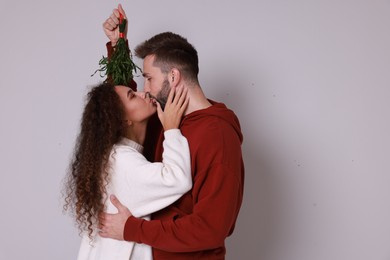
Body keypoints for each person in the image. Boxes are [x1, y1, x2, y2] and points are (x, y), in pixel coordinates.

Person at [99, 5, 245, 259]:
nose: (145, 89)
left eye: (149, 78)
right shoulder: (166, 118)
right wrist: (117, 45)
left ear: (174, 77)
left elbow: (210, 229)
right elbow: (124, 109)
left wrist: (132, 229)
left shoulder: (218, 138)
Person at [63, 82, 191, 260]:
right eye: (132, 96)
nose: (143, 93)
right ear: (123, 120)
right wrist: (172, 130)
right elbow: (177, 179)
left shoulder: (115, 156)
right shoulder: (121, 160)